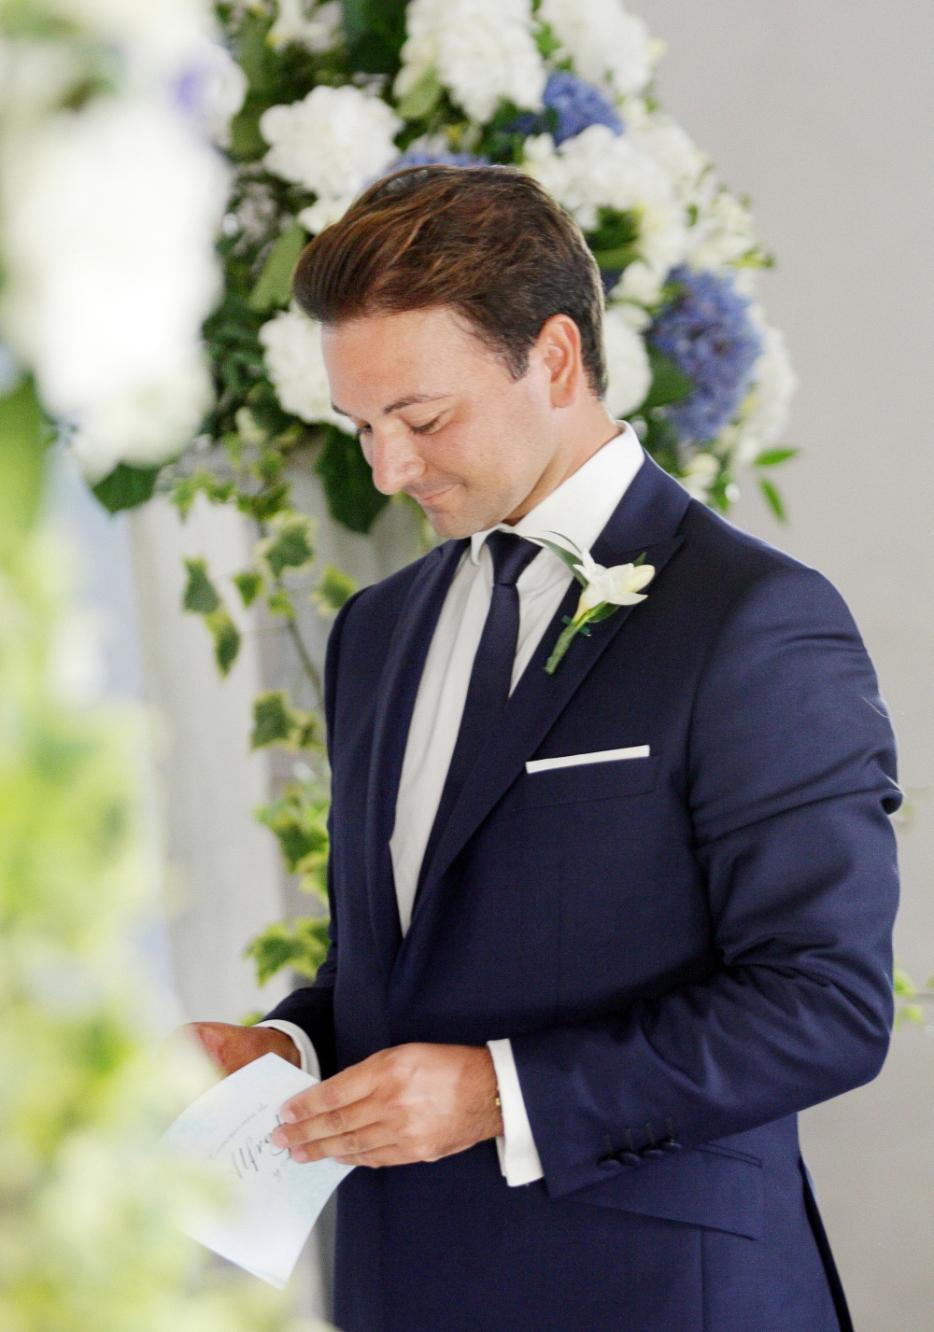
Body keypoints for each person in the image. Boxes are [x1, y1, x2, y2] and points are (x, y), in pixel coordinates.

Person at [184, 164, 903, 1331]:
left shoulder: (754, 619)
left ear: (555, 357)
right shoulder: (376, 633)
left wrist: (498, 1093)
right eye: (359, 428)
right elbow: (411, 965)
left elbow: (821, 1002)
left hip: (659, 1296)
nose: (387, 470)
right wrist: (284, 1047)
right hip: (398, 1291)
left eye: (420, 419)